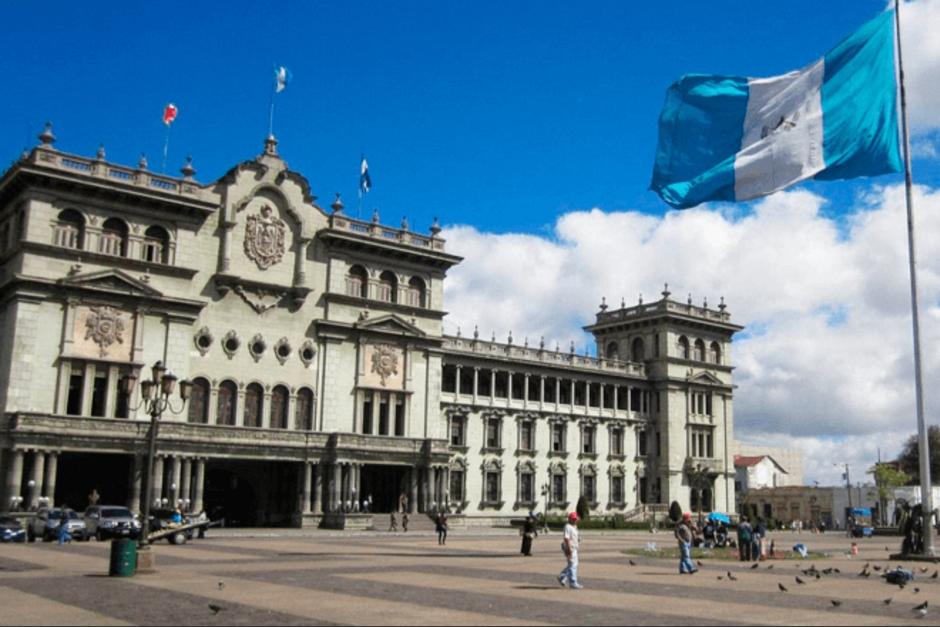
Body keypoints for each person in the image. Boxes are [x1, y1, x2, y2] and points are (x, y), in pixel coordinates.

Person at [558, 512, 582, 589]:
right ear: (570, 519)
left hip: (574, 547)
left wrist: (578, 539)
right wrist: (569, 550)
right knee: (573, 564)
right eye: (573, 519)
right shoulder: (567, 526)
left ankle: (563, 577)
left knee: (573, 564)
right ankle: (572, 582)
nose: (575, 520)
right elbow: (566, 538)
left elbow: (574, 536)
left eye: (575, 519)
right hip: (570, 547)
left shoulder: (574, 526)